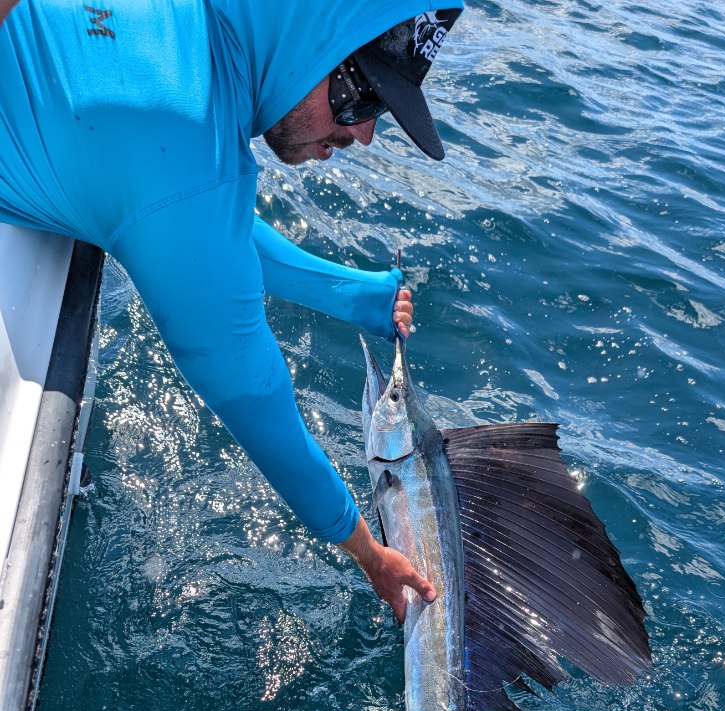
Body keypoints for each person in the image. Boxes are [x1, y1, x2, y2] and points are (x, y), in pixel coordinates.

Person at [0, 2, 464, 620]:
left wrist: (351, 294)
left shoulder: (196, 38)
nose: (364, 134)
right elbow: (253, 392)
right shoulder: (187, 162)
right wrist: (369, 551)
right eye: (361, 99)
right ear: (312, 41)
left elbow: (196, 219)